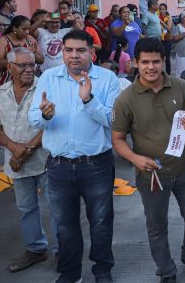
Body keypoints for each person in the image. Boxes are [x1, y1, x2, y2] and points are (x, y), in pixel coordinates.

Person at [111, 38, 185, 283]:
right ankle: (166, 270)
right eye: (145, 62)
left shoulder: (181, 87)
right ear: (135, 63)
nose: (151, 67)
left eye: (156, 61)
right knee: (156, 225)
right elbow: (118, 139)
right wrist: (135, 158)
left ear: (164, 61)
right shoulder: (125, 99)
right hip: (151, 173)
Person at [28, 30, 121, 283]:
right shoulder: (49, 77)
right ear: (62, 51)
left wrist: (89, 99)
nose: (73, 56)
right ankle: (70, 273)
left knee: (101, 222)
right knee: (64, 225)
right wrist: (46, 115)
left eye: (80, 50)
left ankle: (102, 271)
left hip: (96, 165)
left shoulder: (107, 79)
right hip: (58, 166)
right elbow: (34, 118)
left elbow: (114, 120)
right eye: (68, 50)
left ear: (92, 52)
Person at [0, 47, 55, 273]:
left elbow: (51, 125)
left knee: (56, 208)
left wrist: (24, 151)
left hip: (45, 160)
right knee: (27, 208)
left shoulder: (45, 89)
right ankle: (36, 249)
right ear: (9, 67)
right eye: (22, 65)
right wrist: (15, 150)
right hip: (16, 163)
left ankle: (62, 253)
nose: (28, 69)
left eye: (31, 65)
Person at [0, 16, 43, 86]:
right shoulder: (3, 41)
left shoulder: (30, 39)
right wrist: (19, 55)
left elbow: (41, 60)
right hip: (8, 83)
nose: (27, 32)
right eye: (24, 29)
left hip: (29, 81)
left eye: (28, 29)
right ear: (14, 28)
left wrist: (30, 53)